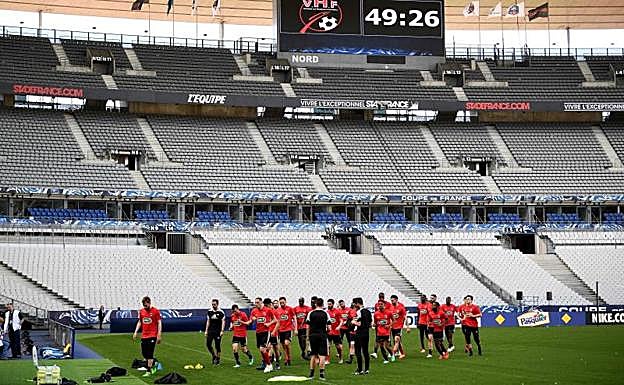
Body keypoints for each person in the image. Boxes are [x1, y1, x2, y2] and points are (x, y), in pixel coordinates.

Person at [132, 297, 162, 377]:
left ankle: (149, 370)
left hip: (152, 335)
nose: (145, 306)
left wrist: (159, 334)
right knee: (144, 353)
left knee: (149, 353)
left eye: (146, 305)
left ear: (149, 303)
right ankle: (154, 363)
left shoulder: (155, 311)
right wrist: (135, 332)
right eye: (144, 305)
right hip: (144, 335)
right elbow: (140, 322)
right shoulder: (141, 312)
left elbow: (159, 322)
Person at [250, 297, 279, 373]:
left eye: (257, 302)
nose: (256, 304)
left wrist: (269, 323)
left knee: (262, 349)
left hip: (266, 332)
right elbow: (251, 318)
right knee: (261, 350)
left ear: (261, 302)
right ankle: (267, 364)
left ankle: (269, 365)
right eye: (255, 302)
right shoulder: (254, 311)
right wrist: (252, 319)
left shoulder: (268, 310)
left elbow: (275, 320)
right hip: (258, 332)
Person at [305, 297, 331, 380]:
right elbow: (329, 327)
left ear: (315, 304)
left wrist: (308, 336)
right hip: (322, 335)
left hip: (313, 335)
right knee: (322, 355)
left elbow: (307, 326)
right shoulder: (326, 313)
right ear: (323, 304)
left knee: (313, 354)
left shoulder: (311, 313)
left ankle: (311, 374)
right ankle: (321, 375)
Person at [351, 297, 371, 375]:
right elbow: (369, 323)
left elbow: (360, 324)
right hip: (366, 333)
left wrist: (353, 322)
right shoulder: (368, 312)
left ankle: (359, 369)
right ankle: (367, 369)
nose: (354, 306)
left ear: (357, 303)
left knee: (358, 351)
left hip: (360, 333)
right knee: (365, 351)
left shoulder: (359, 312)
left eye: (354, 304)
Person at [276, 297, 297, 366]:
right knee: (283, 345)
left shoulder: (290, 309)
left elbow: (294, 318)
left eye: (283, 302)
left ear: (286, 302)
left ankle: (289, 357)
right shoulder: (278, 310)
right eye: (280, 303)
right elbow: (277, 321)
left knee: (287, 343)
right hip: (280, 330)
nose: (282, 304)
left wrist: (295, 328)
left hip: (288, 329)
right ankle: (286, 358)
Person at [205, 299, 225, 365]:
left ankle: (218, 360)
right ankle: (214, 356)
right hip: (211, 331)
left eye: (214, 304)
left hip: (218, 331)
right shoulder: (209, 311)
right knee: (208, 344)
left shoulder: (221, 312)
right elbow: (208, 321)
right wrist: (206, 330)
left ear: (217, 304)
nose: (213, 305)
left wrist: (222, 331)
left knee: (217, 346)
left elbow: (223, 322)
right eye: (212, 304)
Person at [371, 292, 392, 358]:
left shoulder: (388, 304)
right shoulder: (376, 305)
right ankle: (375, 352)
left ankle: (390, 352)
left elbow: (390, 313)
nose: (381, 298)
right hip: (379, 324)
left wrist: (389, 324)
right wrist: (375, 323)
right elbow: (376, 314)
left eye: (382, 297)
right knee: (378, 339)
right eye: (380, 297)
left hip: (386, 324)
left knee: (387, 340)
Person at [326, 299, 343, 364]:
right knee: (328, 346)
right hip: (329, 332)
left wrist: (339, 326)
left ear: (333, 304)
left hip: (336, 332)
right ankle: (327, 360)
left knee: (338, 346)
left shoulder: (337, 311)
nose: (328, 305)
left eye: (330, 304)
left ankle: (341, 358)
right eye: (328, 304)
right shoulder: (327, 312)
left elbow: (341, 320)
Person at [389, 294, 407, 359]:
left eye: (392, 300)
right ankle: (402, 353)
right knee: (397, 341)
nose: (391, 301)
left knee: (396, 339)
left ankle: (393, 354)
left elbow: (405, 317)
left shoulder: (401, 307)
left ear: (396, 300)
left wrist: (407, 327)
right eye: (391, 300)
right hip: (392, 327)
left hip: (399, 327)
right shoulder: (390, 307)